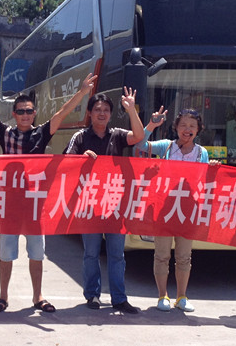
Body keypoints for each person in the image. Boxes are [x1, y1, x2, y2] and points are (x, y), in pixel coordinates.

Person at [0, 70, 96, 313]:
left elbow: (62, 112)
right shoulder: (6, 133)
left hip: (34, 203)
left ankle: (38, 296)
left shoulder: (41, 133)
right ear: (14, 114)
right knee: (6, 253)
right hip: (9, 203)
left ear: (34, 113)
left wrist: (83, 92)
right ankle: (3, 297)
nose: (24, 115)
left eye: (29, 111)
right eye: (20, 111)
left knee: (37, 254)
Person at [65, 91, 145, 314]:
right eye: (97, 110)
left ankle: (119, 298)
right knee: (91, 253)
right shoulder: (80, 137)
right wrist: (81, 158)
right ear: (89, 113)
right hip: (89, 204)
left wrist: (131, 109)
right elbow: (66, 161)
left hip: (114, 204)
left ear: (110, 114)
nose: (102, 113)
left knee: (117, 254)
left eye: (106, 110)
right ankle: (92, 294)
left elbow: (138, 136)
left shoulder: (117, 135)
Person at [135, 107, 219, 313]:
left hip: (187, 210)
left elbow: (205, 181)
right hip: (163, 209)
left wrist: (213, 169)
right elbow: (140, 144)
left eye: (192, 126)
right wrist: (152, 125)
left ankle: (181, 296)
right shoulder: (166, 147)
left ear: (198, 130)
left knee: (184, 256)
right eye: (183, 125)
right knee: (162, 255)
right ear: (176, 128)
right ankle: (162, 295)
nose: (187, 129)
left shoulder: (202, 153)